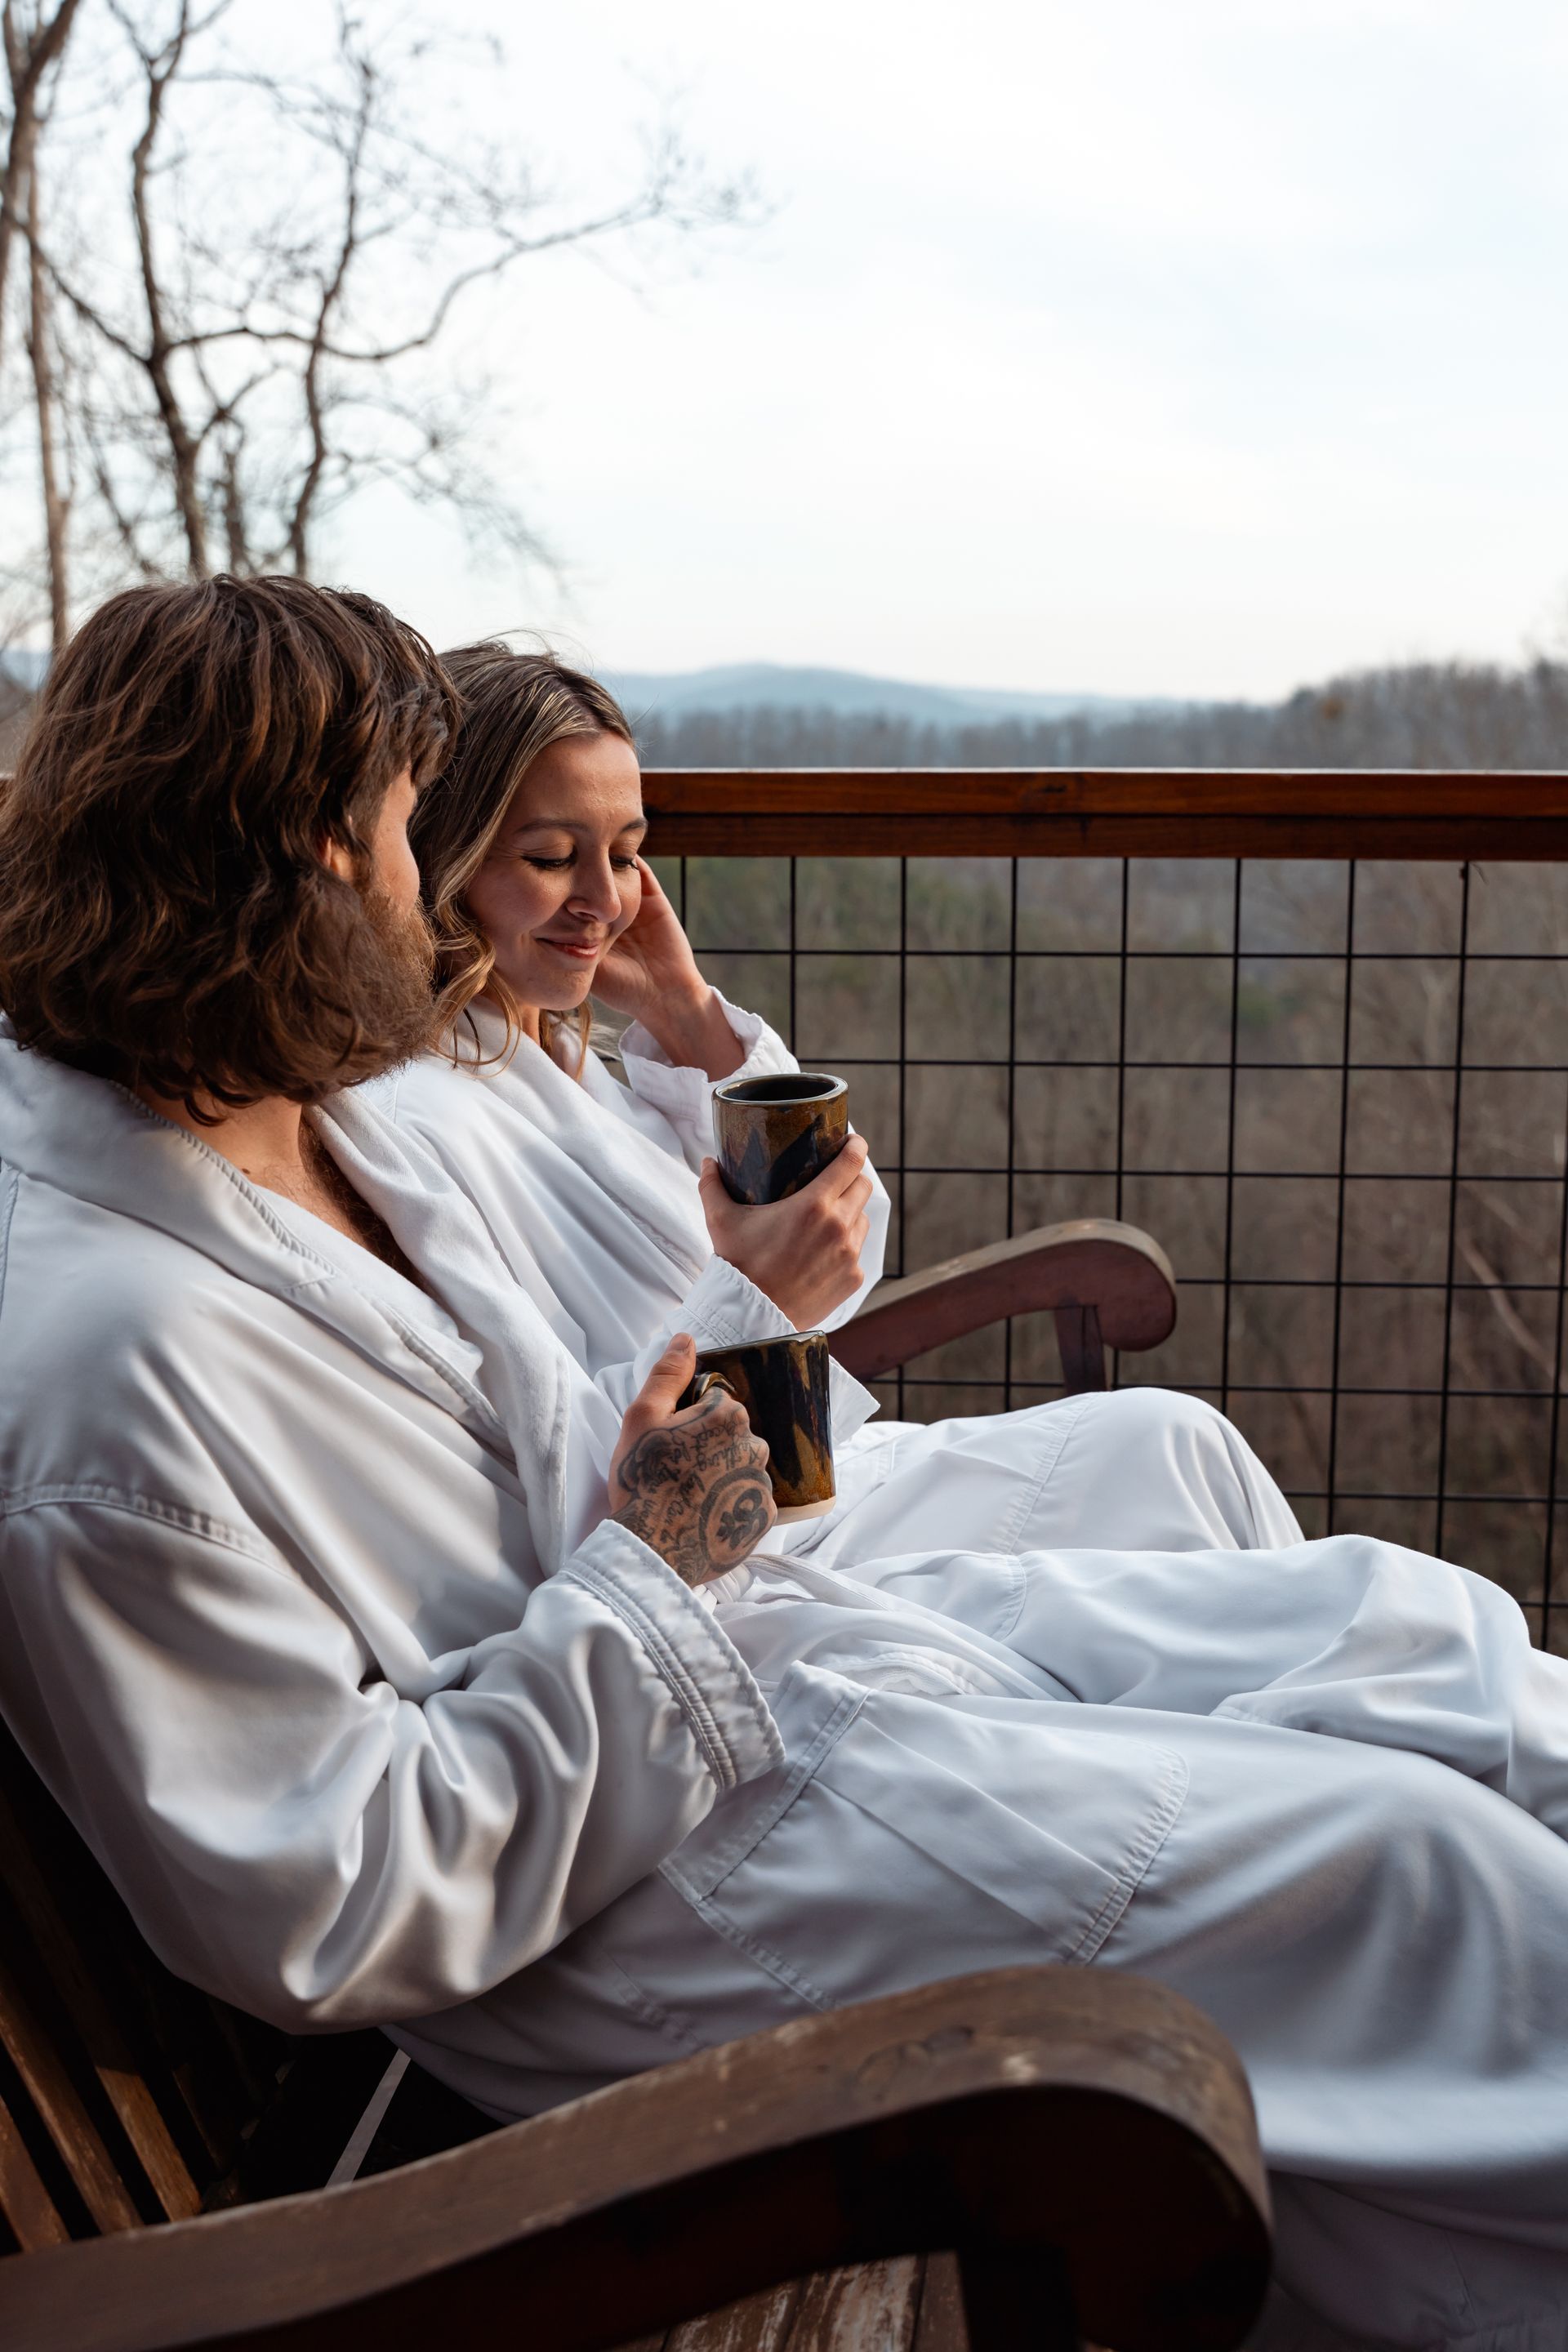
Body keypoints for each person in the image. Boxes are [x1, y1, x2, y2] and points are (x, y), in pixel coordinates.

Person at [5, 582, 1568, 2350]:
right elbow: (330, 1896)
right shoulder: (113, 1369)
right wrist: (659, 1556)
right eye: (402, 834)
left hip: (734, 1680)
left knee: (1389, 1662)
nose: (429, 896)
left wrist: (698, 1117)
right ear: (299, 858)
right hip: (634, 1902)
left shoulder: (301, 1111)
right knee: (1412, 1875)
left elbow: (614, 1369)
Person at [368, 644, 1299, 1574]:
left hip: (821, 1482)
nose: (607, 902)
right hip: (740, 1546)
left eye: (627, 855)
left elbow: (849, 1258)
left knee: (1180, 1445)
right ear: (441, 854)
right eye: (551, 858)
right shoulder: (422, 1117)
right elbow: (562, 1454)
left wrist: (686, 1011)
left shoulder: (573, 1068)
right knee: (1183, 1486)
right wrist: (761, 1300)